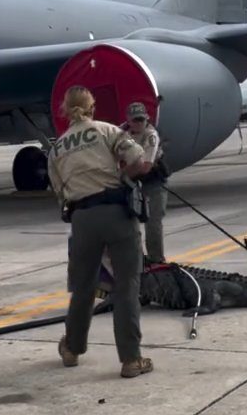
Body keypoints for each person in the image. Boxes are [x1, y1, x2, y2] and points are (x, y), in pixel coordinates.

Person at [48, 86, 154, 378]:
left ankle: (71, 348)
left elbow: (60, 193)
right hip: (117, 212)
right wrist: (121, 177)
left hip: (82, 219)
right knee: (126, 285)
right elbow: (140, 162)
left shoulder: (56, 148)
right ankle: (131, 359)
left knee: (82, 287)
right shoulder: (107, 131)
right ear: (92, 107)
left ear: (65, 111)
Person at [122, 101, 170, 264]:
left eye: (141, 120)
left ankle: (156, 259)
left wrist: (120, 175)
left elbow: (146, 167)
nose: (138, 124)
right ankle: (136, 258)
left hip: (153, 182)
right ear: (128, 120)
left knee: (153, 222)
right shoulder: (122, 134)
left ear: (146, 119)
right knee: (130, 223)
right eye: (135, 120)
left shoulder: (150, 135)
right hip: (132, 184)